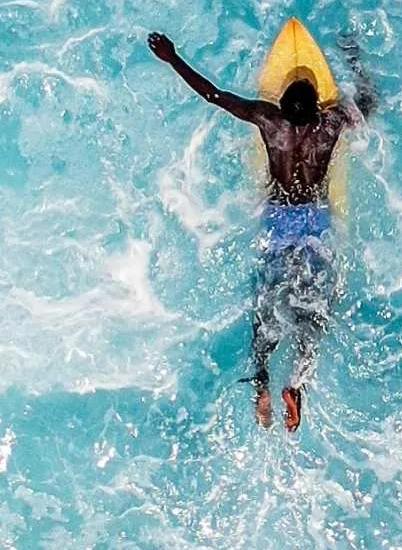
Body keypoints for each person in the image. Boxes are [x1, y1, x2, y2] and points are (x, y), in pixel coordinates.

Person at [148, 29, 377, 432]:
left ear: (285, 107)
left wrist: (173, 57)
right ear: (317, 106)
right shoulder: (331, 122)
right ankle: (297, 385)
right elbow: (369, 104)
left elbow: (215, 95)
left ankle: (262, 380)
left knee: (267, 302)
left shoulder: (269, 120)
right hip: (315, 221)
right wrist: (354, 58)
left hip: (278, 220)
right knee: (316, 306)